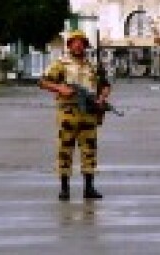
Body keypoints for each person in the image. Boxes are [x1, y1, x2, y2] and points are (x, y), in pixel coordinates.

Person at [38, 30, 111, 201]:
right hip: (68, 113)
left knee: (89, 150)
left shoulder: (93, 66)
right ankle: (64, 188)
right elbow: (42, 82)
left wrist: (101, 98)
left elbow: (105, 85)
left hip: (89, 113)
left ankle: (89, 187)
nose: (78, 45)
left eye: (81, 42)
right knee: (65, 150)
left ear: (85, 45)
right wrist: (60, 89)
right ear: (69, 45)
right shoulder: (61, 64)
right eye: (74, 42)